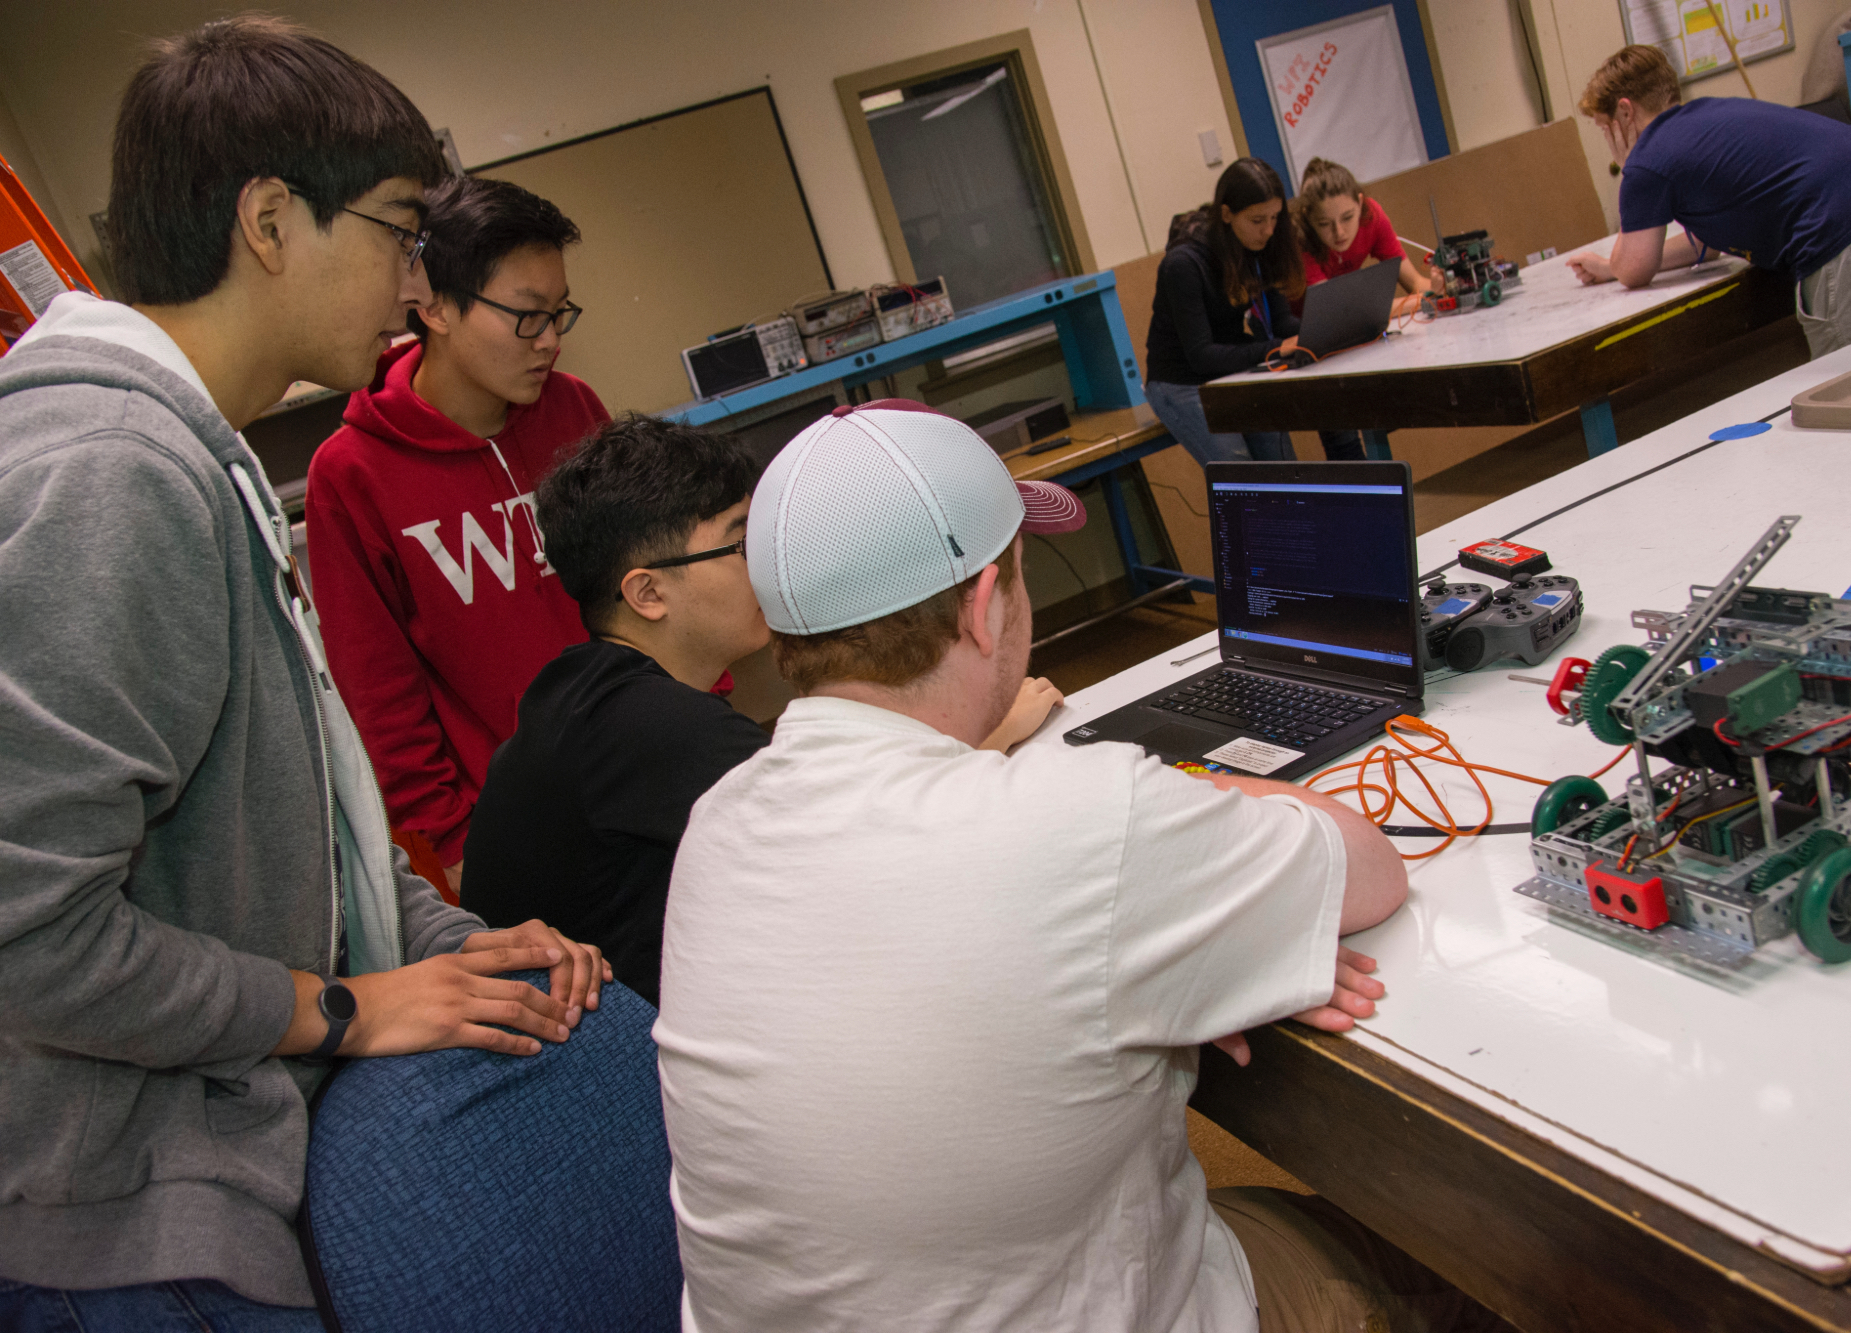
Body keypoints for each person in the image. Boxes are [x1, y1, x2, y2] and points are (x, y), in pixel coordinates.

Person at [0, 19, 608, 1327]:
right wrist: (345, 1005)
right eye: (399, 232)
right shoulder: (115, 471)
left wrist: (448, 940)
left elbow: (280, 824)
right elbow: (28, 936)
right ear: (271, 219)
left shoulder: (190, 451)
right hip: (126, 1235)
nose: (412, 285)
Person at [655, 400, 1509, 1332]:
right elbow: (1370, 868)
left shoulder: (718, 824)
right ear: (986, 606)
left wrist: (1159, 938)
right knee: (1477, 1271)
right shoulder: (1081, 824)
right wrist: (1188, 876)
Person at [464, 413, 1070, 1005]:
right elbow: (880, 850)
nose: (772, 562)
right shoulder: (647, 727)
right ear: (648, 594)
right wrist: (989, 733)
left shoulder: (584, 696)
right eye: (740, 540)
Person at [306, 175, 612, 896]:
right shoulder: (351, 473)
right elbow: (377, 683)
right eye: (528, 317)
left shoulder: (574, 410)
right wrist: (449, 837)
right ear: (435, 306)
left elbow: (650, 571)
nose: (552, 342)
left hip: (638, 765)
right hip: (505, 827)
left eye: (561, 312)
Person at [1566, 44, 1851, 358]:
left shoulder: (1647, 158)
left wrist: (1628, 170)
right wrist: (1606, 267)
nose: (1608, 141)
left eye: (1604, 128)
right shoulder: (1711, 117)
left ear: (1625, 111)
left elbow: (1635, 269)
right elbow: (1707, 243)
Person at [1144, 157, 1306, 466]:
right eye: (1258, 220)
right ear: (1227, 215)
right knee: (1239, 473)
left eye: (1274, 218)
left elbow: (1282, 321)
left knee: (1283, 465)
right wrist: (1276, 349)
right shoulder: (1184, 264)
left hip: (1230, 367)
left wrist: (1320, 330)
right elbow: (1202, 355)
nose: (1269, 230)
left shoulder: (1261, 245)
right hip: (1181, 381)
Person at [1288, 156, 1437, 461]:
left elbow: (1415, 284)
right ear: (1307, 219)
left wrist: (1438, 285)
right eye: (1324, 225)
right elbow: (1337, 316)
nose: (1340, 233)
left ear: (1360, 203)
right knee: (1342, 439)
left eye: (1347, 217)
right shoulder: (1298, 238)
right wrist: (1415, 302)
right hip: (1306, 340)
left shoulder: (1373, 216)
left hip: (1353, 335)